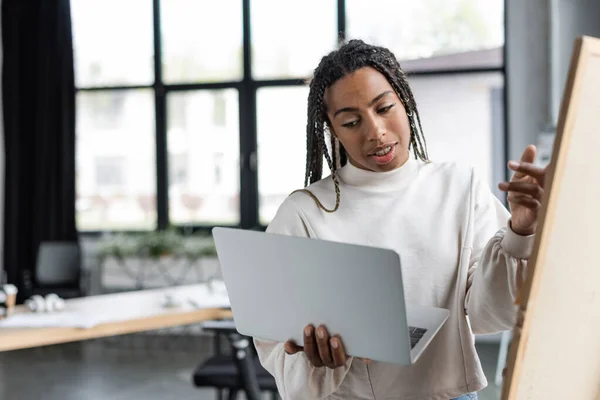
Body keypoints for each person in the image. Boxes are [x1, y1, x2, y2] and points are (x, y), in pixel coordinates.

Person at [253, 39, 547, 400]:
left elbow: (492, 313)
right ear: (332, 129)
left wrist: (521, 230)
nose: (375, 132)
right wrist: (317, 360)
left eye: (384, 107)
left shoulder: (458, 187)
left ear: (404, 100)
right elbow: (275, 341)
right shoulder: (304, 212)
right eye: (350, 121)